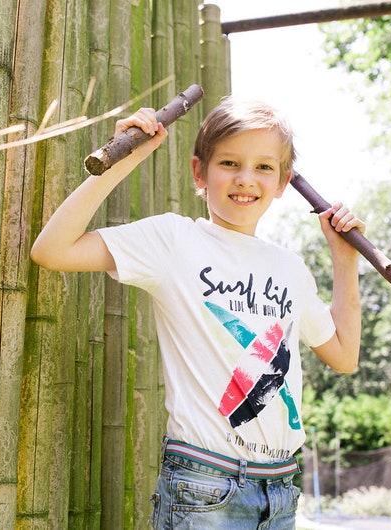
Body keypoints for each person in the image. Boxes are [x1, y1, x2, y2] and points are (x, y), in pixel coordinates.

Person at [30, 97, 364, 529]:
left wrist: (345, 260)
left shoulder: (291, 269)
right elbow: (52, 250)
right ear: (199, 173)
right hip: (204, 487)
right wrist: (123, 157)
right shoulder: (173, 241)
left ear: (283, 182)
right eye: (229, 162)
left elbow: (344, 355)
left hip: (280, 491)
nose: (246, 179)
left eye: (264, 167)